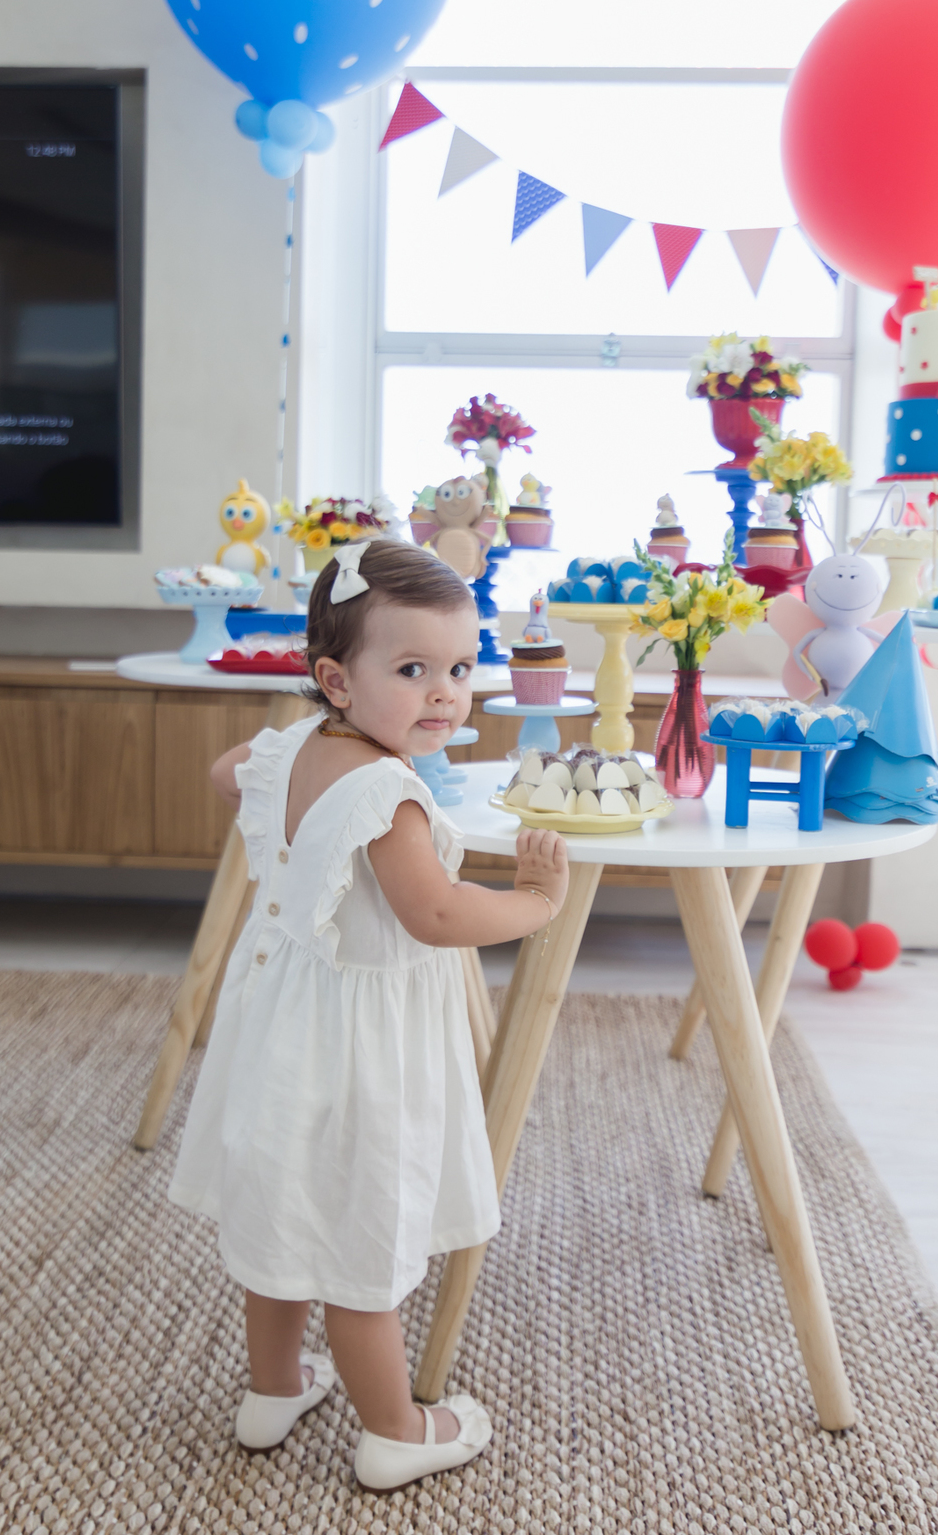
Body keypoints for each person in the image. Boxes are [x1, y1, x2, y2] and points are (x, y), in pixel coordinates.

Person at [168, 539, 569, 1490]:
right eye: (412, 671)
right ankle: (395, 1429)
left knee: (283, 1208)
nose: (444, 695)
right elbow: (435, 915)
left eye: (461, 670)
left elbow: (229, 774)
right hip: (362, 1050)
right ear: (335, 679)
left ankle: (273, 1389)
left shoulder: (293, 744)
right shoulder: (390, 797)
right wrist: (534, 905)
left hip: (279, 1021)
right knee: (362, 1232)